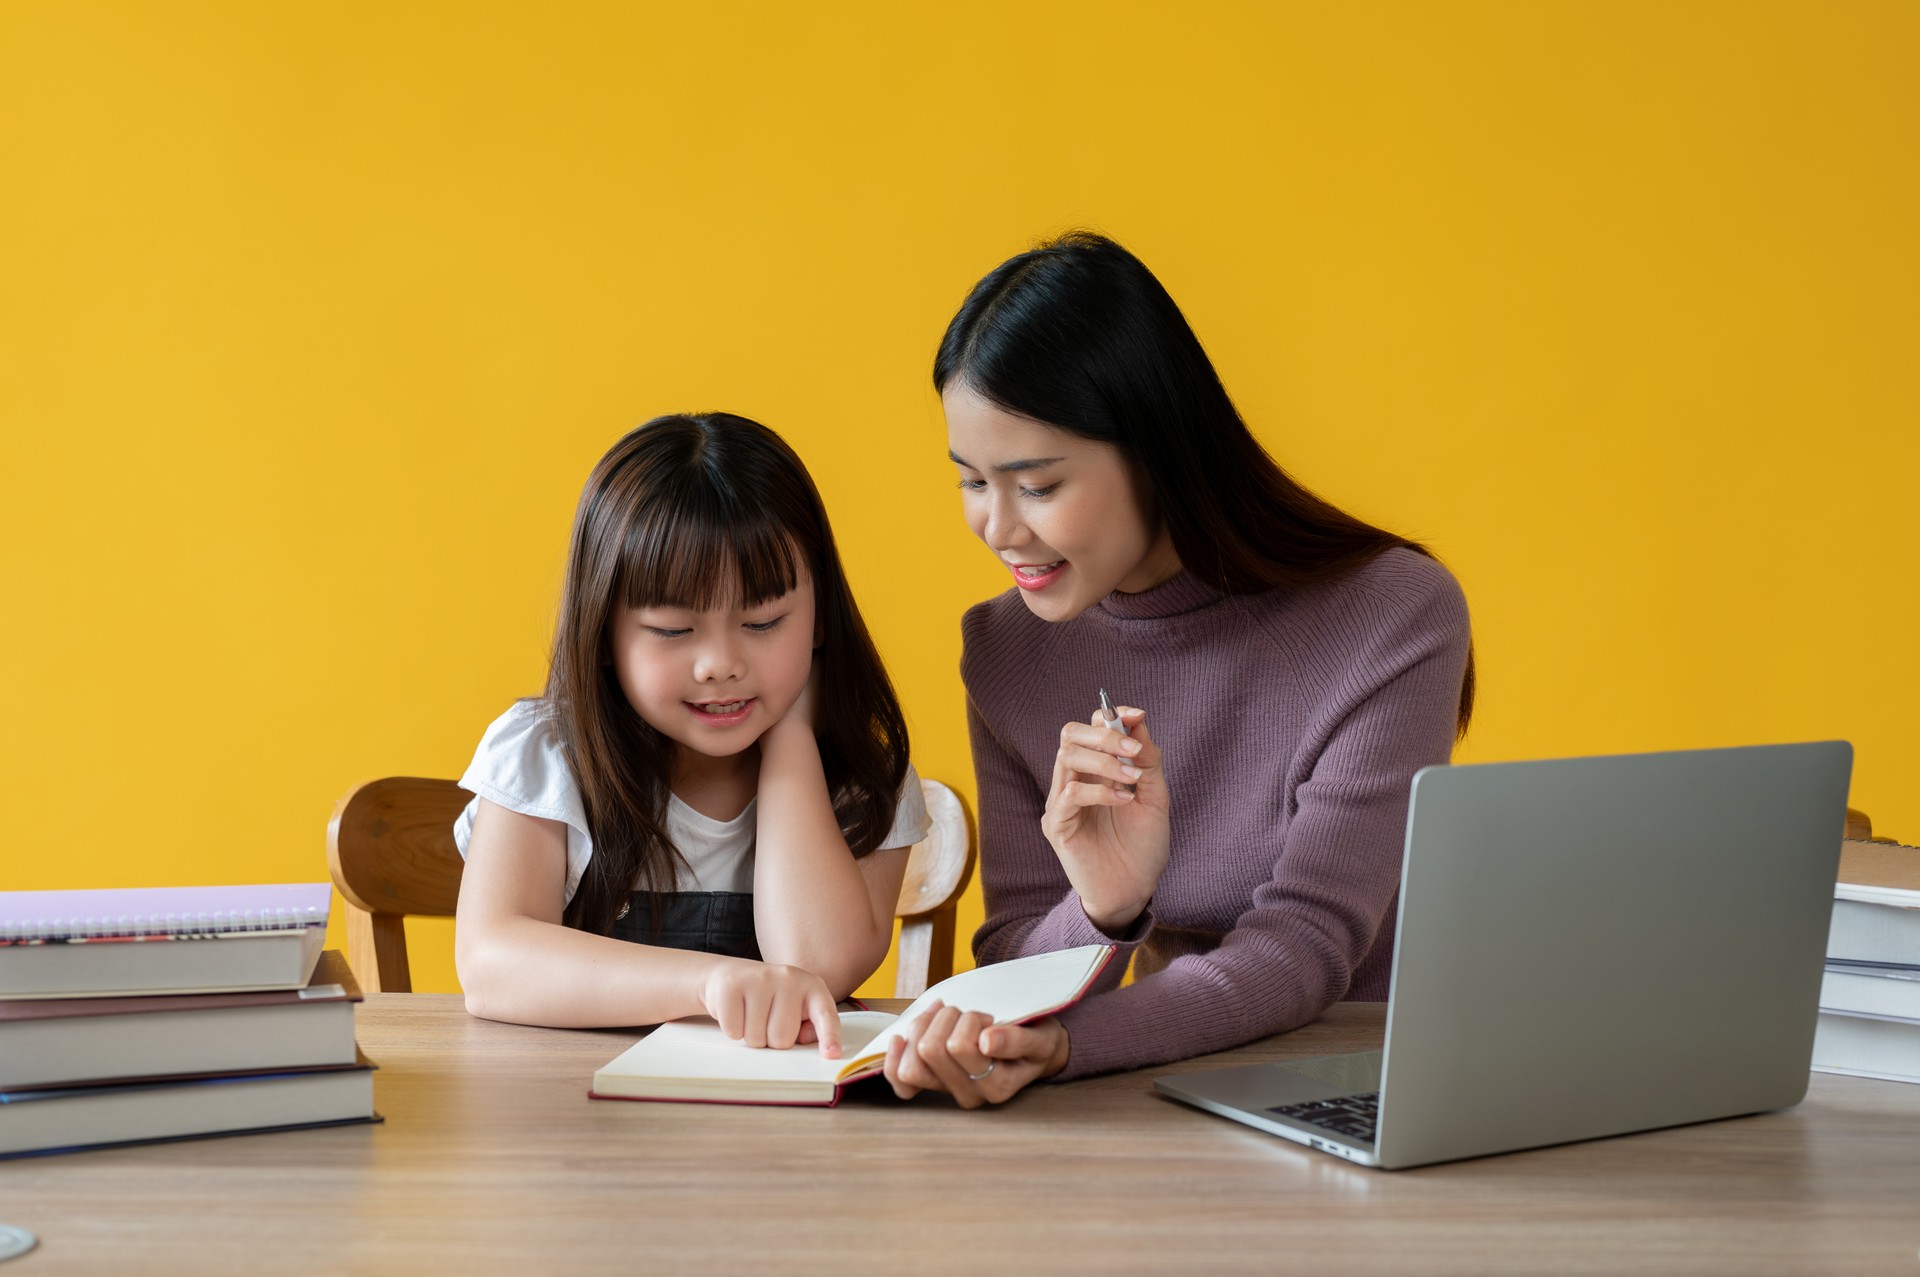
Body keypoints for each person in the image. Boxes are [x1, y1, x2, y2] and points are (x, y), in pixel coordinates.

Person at [882, 233, 1474, 1105]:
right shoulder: (1008, 652)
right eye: (971, 481)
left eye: (1037, 485)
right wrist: (1104, 907)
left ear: (1157, 452)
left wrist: (1063, 1051)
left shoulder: (1391, 617)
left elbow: (1306, 946)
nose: (997, 528)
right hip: (1148, 1102)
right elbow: (1010, 960)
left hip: (1359, 1089)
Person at [454, 413, 930, 1056]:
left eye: (763, 623)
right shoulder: (548, 757)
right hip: (575, 1124)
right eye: (674, 631)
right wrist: (710, 982)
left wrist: (790, 734)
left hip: (783, 1137)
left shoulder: (864, 779)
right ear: (603, 633)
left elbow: (815, 961)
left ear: (820, 616)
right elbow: (492, 964)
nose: (720, 664)